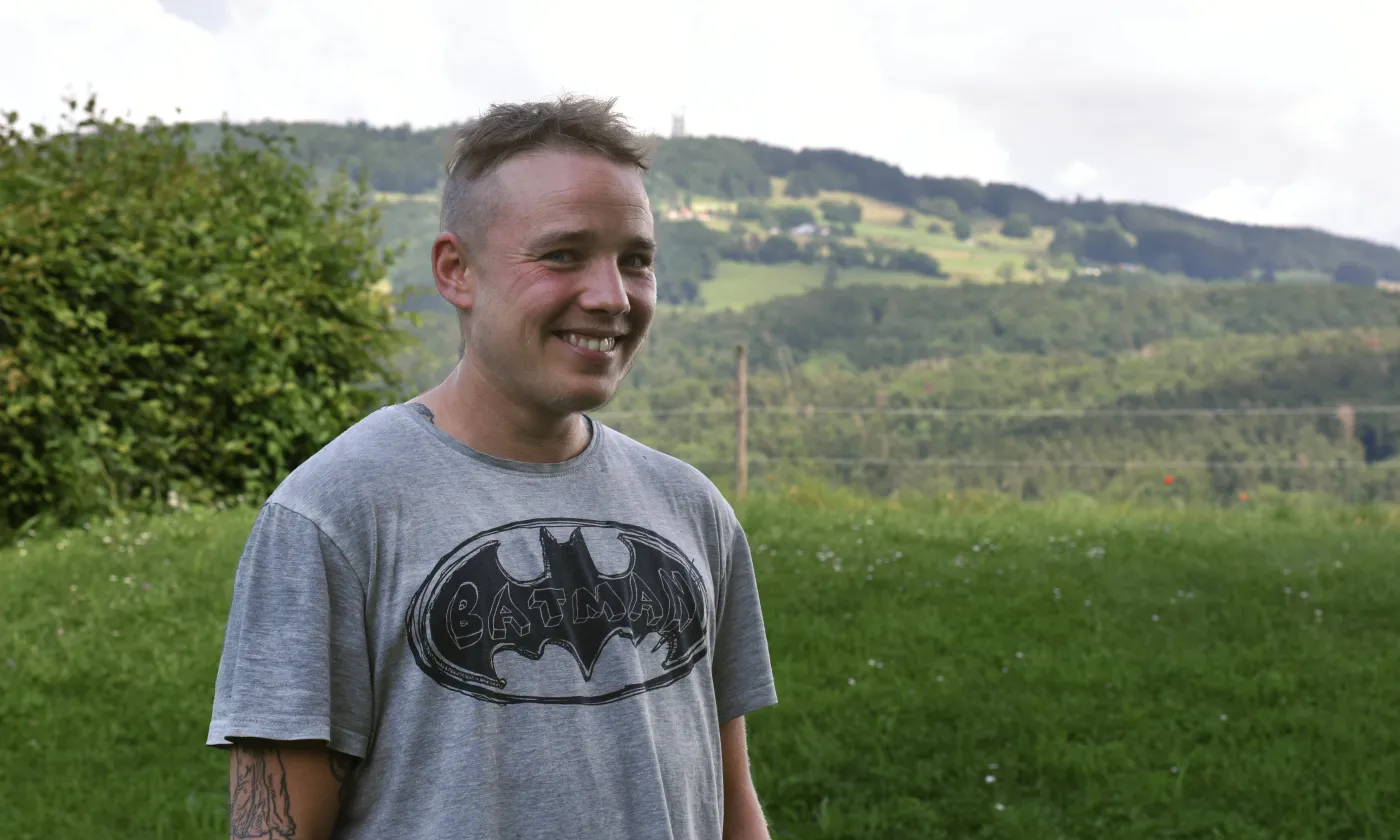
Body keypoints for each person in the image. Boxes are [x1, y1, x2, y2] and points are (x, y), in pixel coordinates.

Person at [206, 94, 778, 840]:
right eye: (563, 254)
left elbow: (733, 803)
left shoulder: (690, 510)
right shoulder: (336, 515)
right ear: (457, 271)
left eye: (635, 261)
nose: (610, 296)